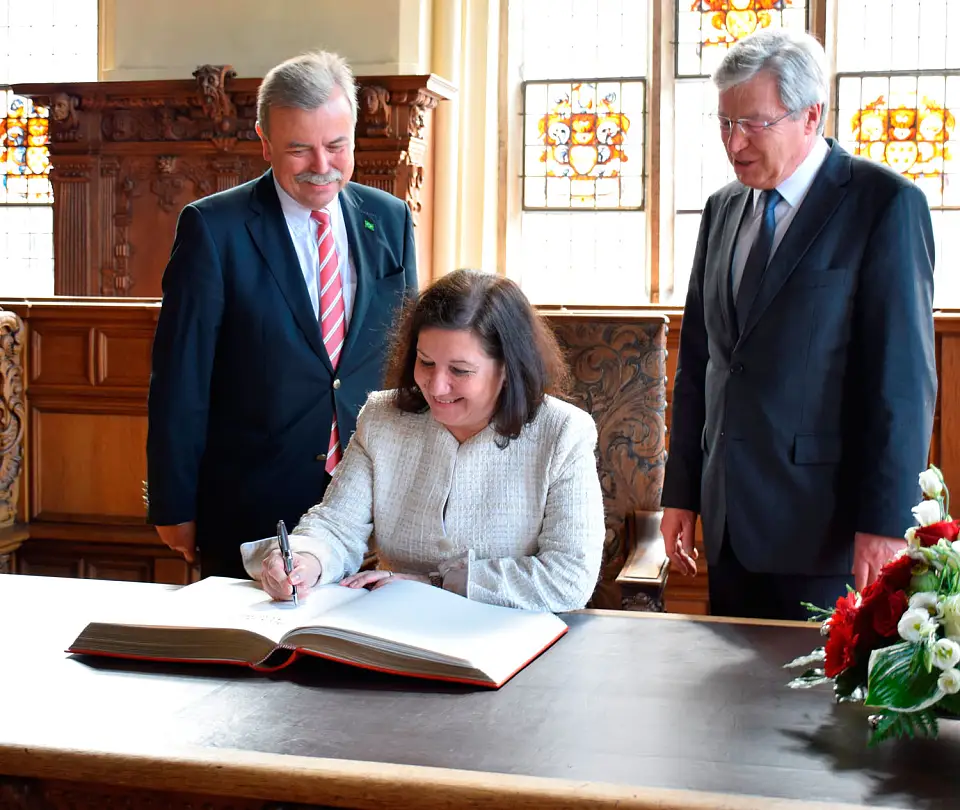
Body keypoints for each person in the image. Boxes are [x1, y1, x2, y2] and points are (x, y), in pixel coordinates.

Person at [660, 29, 937, 620]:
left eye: (753, 123)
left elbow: (902, 385)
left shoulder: (883, 204)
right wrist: (681, 492)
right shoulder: (723, 208)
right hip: (729, 518)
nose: (734, 143)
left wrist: (886, 521)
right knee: (727, 709)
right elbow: (700, 364)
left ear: (811, 115)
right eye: (724, 123)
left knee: (812, 711)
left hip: (828, 527)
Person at [147, 51, 418, 578]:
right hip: (251, 506)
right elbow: (180, 378)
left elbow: (407, 364)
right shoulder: (213, 228)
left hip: (371, 512)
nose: (322, 165)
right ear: (264, 141)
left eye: (337, 145)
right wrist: (174, 506)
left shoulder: (390, 220)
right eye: (299, 149)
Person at [240, 269, 606, 612]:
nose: (436, 385)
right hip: (393, 630)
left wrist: (434, 583)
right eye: (425, 362)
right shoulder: (383, 418)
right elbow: (337, 526)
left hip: (514, 645)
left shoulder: (562, 432)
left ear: (508, 369)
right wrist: (306, 560)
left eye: (460, 371)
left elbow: (569, 577)